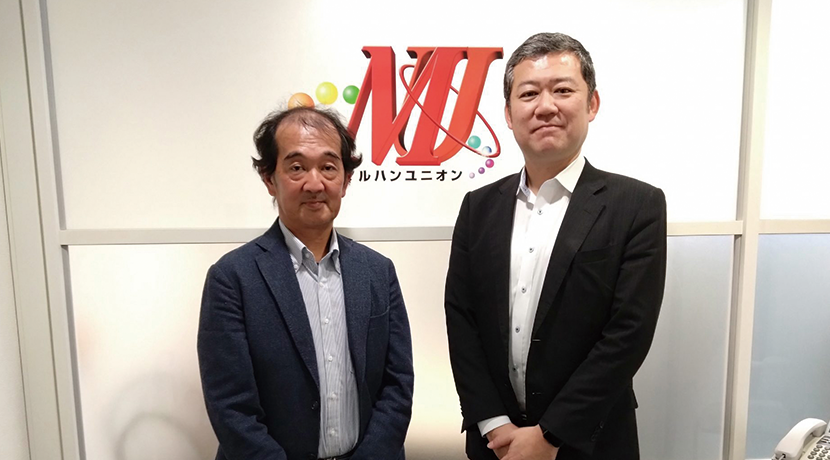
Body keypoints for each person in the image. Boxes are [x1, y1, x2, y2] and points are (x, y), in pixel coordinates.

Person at [444, 32, 667, 460]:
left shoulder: (637, 205)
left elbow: (629, 332)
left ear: (592, 103)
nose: (545, 106)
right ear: (508, 114)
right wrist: (493, 424)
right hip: (496, 446)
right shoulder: (478, 207)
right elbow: (462, 319)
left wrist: (549, 436)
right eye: (529, 94)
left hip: (592, 442)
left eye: (563, 90)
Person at [197, 106, 414, 460]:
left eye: (328, 167)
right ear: (270, 178)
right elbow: (231, 407)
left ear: (345, 180)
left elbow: (398, 384)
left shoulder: (378, 271)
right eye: (296, 167)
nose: (315, 184)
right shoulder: (232, 278)